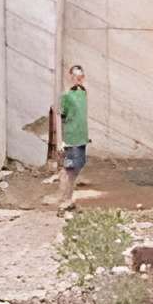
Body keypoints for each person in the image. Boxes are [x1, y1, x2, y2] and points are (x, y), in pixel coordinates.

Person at [45, 62, 90, 210]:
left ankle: (68, 198)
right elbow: (60, 116)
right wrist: (60, 142)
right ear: (71, 77)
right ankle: (64, 200)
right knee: (69, 169)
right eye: (75, 75)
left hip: (82, 138)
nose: (78, 78)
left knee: (77, 168)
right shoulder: (67, 96)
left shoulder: (83, 93)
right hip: (71, 139)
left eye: (80, 75)